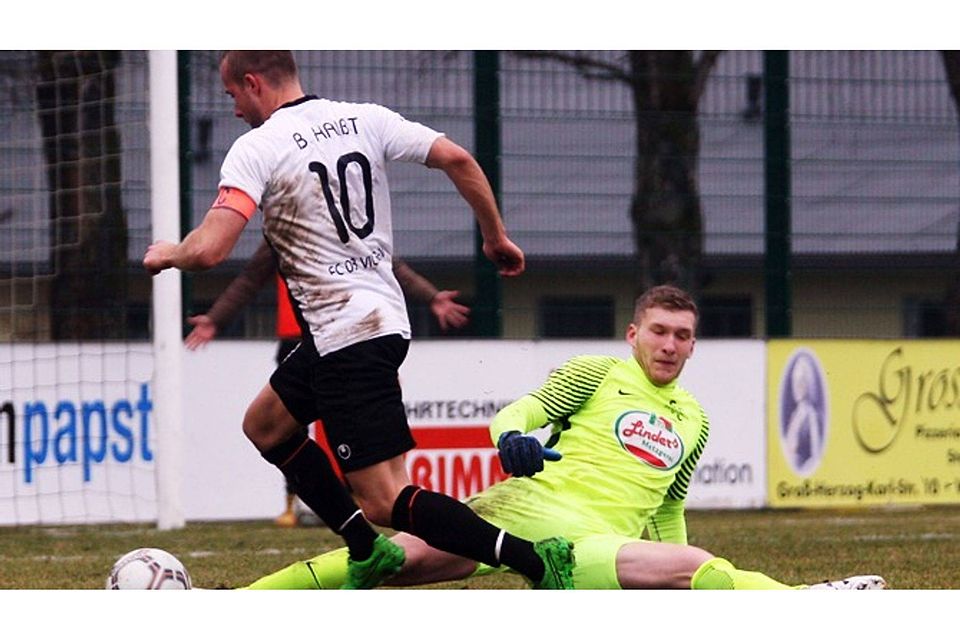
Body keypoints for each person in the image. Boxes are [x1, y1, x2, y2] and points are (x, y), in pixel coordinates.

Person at [143, 50, 574, 589]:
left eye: (232, 96)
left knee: (387, 499)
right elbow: (458, 159)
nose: (233, 111)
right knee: (266, 424)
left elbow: (209, 249)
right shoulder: (365, 118)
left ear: (252, 83)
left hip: (348, 336)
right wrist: (494, 235)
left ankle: (537, 560)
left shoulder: (257, 147)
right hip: (369, 322)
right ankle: (367, 551)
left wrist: (169, 253)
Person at [242, 284, 886, 590]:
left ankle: (800, 603)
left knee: (689, 565)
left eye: (682, 335)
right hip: (516, 514)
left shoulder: (695, 419)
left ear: (694, 344)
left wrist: (665, 586)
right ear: (633, 334)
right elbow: (517, 413)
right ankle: (235, 604)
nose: (669, 344)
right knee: (388, 560)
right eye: (658, 330)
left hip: (594, 545)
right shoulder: (597, 374)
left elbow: (667, 512)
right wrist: (513, 442)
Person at [184, 238, 471, 527]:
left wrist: (431, 296)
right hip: (300, 341)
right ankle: (295, 503)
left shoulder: (349, 226)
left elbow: (393, 266)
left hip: (353, 339)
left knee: (351, 425)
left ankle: (363, 496)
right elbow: (250, 278)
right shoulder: (284, 229)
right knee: (285, 431)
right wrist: (216, 319)